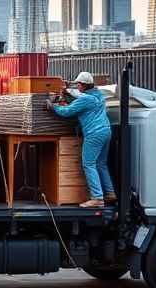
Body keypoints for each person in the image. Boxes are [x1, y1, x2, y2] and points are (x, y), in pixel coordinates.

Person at [46, 72, 116, 207]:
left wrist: (53, 106)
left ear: (83, 85)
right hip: (106, 131)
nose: (77, 86)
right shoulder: (98, 95)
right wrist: (67, 93)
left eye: (78, 84)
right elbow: (79, 99)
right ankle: (110, 192)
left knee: (88, 164)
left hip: (94, 134)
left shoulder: (85, 99)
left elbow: (66, 112)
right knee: (101, 163)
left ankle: (97, 198)